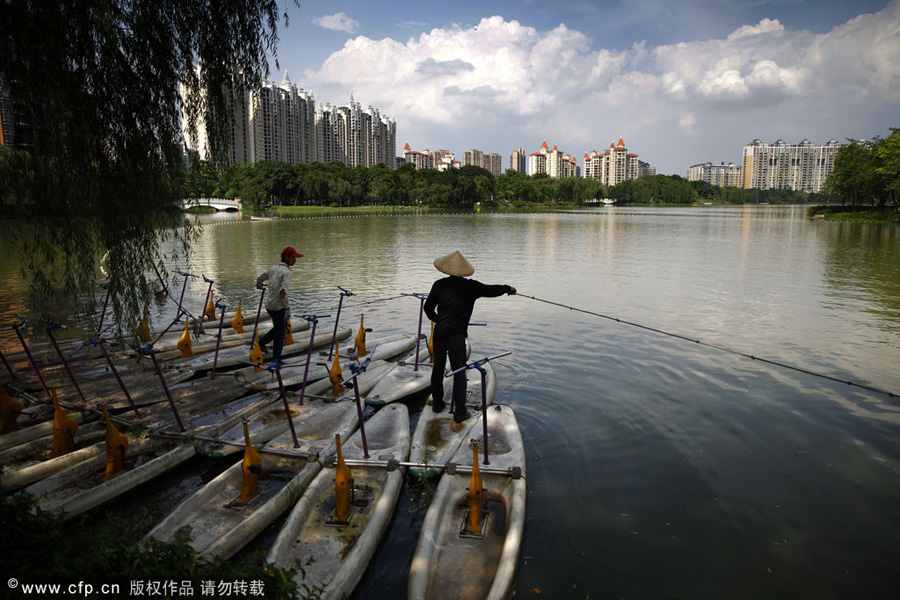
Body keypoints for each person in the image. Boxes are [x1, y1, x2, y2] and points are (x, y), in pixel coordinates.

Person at [424, 251, 516, 423]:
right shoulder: (472, 287)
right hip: (457, 335)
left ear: (447, 269)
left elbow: (428, 308)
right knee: (459, 372)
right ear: (464, 271)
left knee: (438, 369)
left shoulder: (439, 285)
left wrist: (438, 320)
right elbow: (491, 290)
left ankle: (437, 405)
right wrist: (508, 288)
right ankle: (460, 413)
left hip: (440, 333)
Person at [256, 246, 303, 362]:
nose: (295, 260)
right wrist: (287, 308)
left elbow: (261, 277)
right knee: (280, 334)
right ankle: (276, 359)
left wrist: (259, 284)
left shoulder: (274, 269)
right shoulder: (287, 272)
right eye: (293, 258)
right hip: (278, 307)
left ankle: (262, 342)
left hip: (269, 306)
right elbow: (283, 291)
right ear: (286, 257)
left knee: (280, 327)